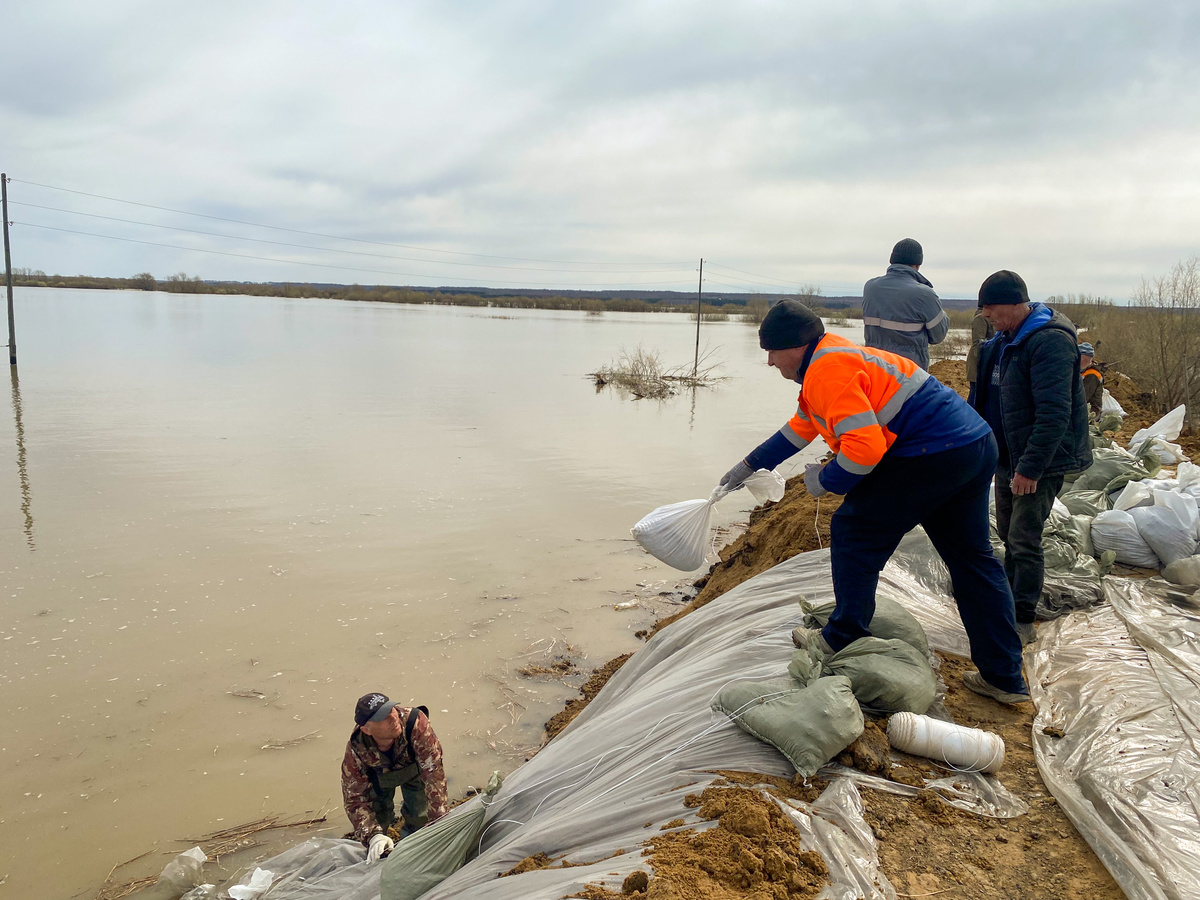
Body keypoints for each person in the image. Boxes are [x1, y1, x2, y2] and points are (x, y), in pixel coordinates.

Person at [719, 300, 1028, 705]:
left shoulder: (826, 371)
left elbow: (864, 452)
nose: (770, 362)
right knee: (973, 560)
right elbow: (802, 426)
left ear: (795, 346)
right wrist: (750, 464)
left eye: (772, 352)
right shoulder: (832, 356)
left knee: (853, 530)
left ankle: (842, 635)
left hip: (931, 453)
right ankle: (1004, 677)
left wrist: (824, 480)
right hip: (972, 444)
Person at [969, 272, 1093, 645]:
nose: (986, 314)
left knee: (1024, 538)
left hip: (1039, 460)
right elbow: (983, 399)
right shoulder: (1003, 341)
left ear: (1015, 303)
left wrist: (1030, 468)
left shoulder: (1049, 341)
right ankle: (1007, 599)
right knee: (1007, 531)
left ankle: (1021, 617)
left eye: (991, 307)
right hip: (1007, 454)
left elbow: (1055, 414)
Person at [341, 692, 449, 862]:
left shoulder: (415, 723)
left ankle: (414, 852)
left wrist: (439, 823)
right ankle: (381, 856)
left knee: (419, 814)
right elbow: (354, 799)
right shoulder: (357, 749)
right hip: (378, 778)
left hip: (415, 769)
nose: (393, 717)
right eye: (382, 717)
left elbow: (434, 773)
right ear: (366, 730)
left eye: (391, 709)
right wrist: (372, 835)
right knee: (379, 819)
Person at [861, 238, 949, 370]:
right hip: (909, 372)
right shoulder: (925, 294)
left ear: (892, 260)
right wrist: (942, 314)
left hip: (875, 368)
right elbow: (938, 336)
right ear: (918, 264)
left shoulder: (870, 288)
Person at [966, 302, 995, 390]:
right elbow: (978, 345)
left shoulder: (992, 318)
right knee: (976, 396)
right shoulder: (980, 319)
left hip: (986, 368)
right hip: (978, 369)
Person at [1079, 342, 1104, 419]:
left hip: (1091, 412)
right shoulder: (1084, 371)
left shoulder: (1092, 375)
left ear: (1083, 358)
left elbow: (1083, 398)